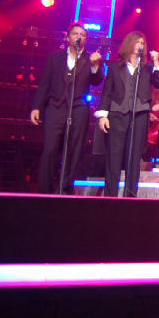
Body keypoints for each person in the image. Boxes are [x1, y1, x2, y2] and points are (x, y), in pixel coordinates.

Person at [30, 22, 103, 194]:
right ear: (68, 37)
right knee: (50, 149)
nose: (79, 37)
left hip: (78, 108)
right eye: (75, 34)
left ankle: (65, 188)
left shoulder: (90, 59)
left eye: (83, 35)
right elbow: (44, 84)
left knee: (74, 150)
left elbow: (97, 81)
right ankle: (45, 190)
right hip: (55, 106)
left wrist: (96, 66)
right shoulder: (54, 58)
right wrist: (36, 107)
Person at [97, 31, 159, 197]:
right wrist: (103, 115)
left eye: (142, 43)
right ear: (129, 44)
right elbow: (107, 92)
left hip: (139, 115)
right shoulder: (115, 67)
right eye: (137, 42)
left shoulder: (148, 68)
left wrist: (156, 62)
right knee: (114, 155)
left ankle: (130, 194)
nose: (140, 45)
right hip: (118, 114)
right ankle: (110, 195)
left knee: (134, 156)